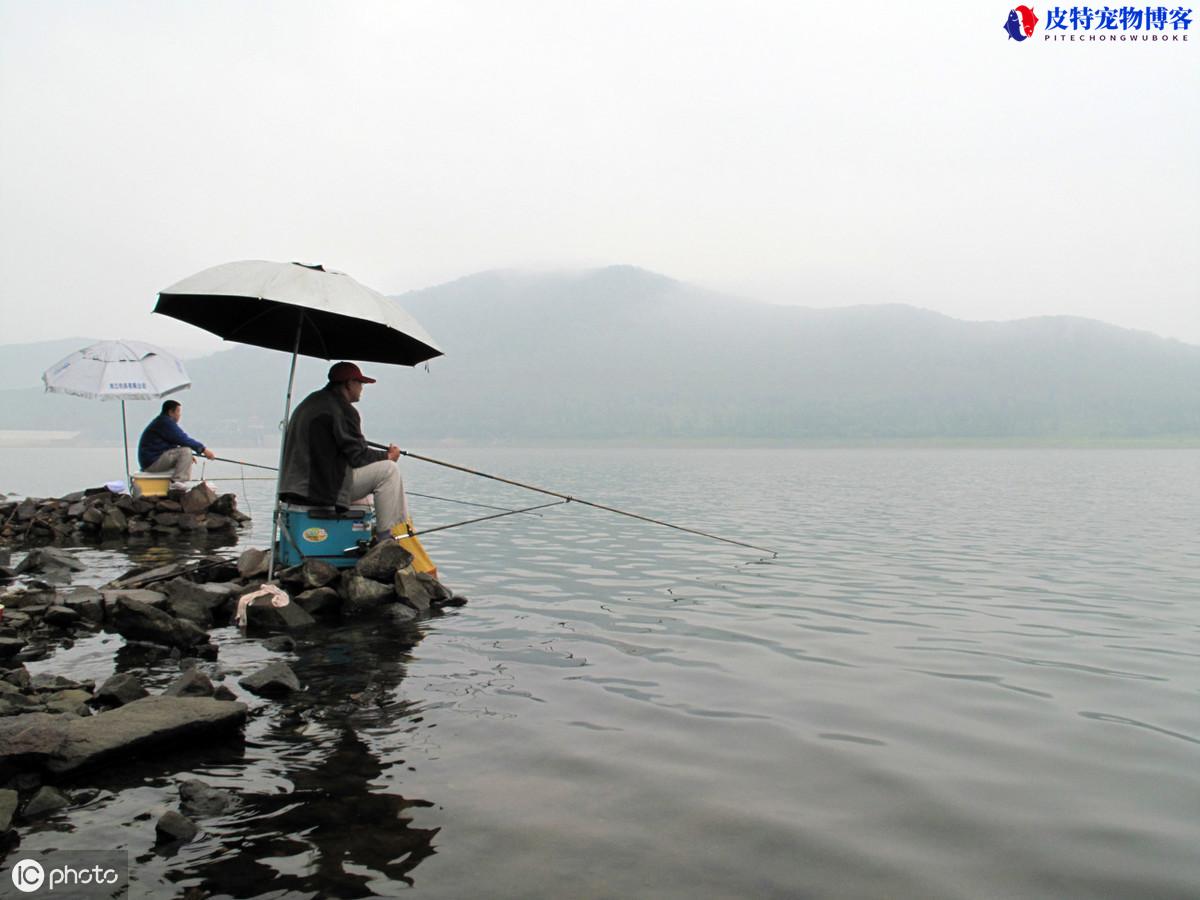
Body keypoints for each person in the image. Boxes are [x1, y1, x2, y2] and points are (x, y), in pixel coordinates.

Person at [279, 361, 409, 541]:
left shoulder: (311, 402)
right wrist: (388, 456)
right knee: (389, 471)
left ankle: (377, 532)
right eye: (360, 383)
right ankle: (386, 537)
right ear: (349, 383)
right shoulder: (342, 409)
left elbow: (345, 449)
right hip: (318, 488)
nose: (362, 388)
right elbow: (358, 456)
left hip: (295, 489)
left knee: (367, 500)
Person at [137, 399, 215, 485]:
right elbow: (183, 439)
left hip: (150, 461)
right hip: (152, 462)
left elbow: (170, 444)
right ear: (171, 412)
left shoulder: (161, 422)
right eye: (178, 412)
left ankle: (175, 483)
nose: (179, 415)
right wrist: (204, 450)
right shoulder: (165, 423)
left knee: (186, 453)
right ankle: (178, 483)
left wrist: (187, 457)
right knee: (185, 451)